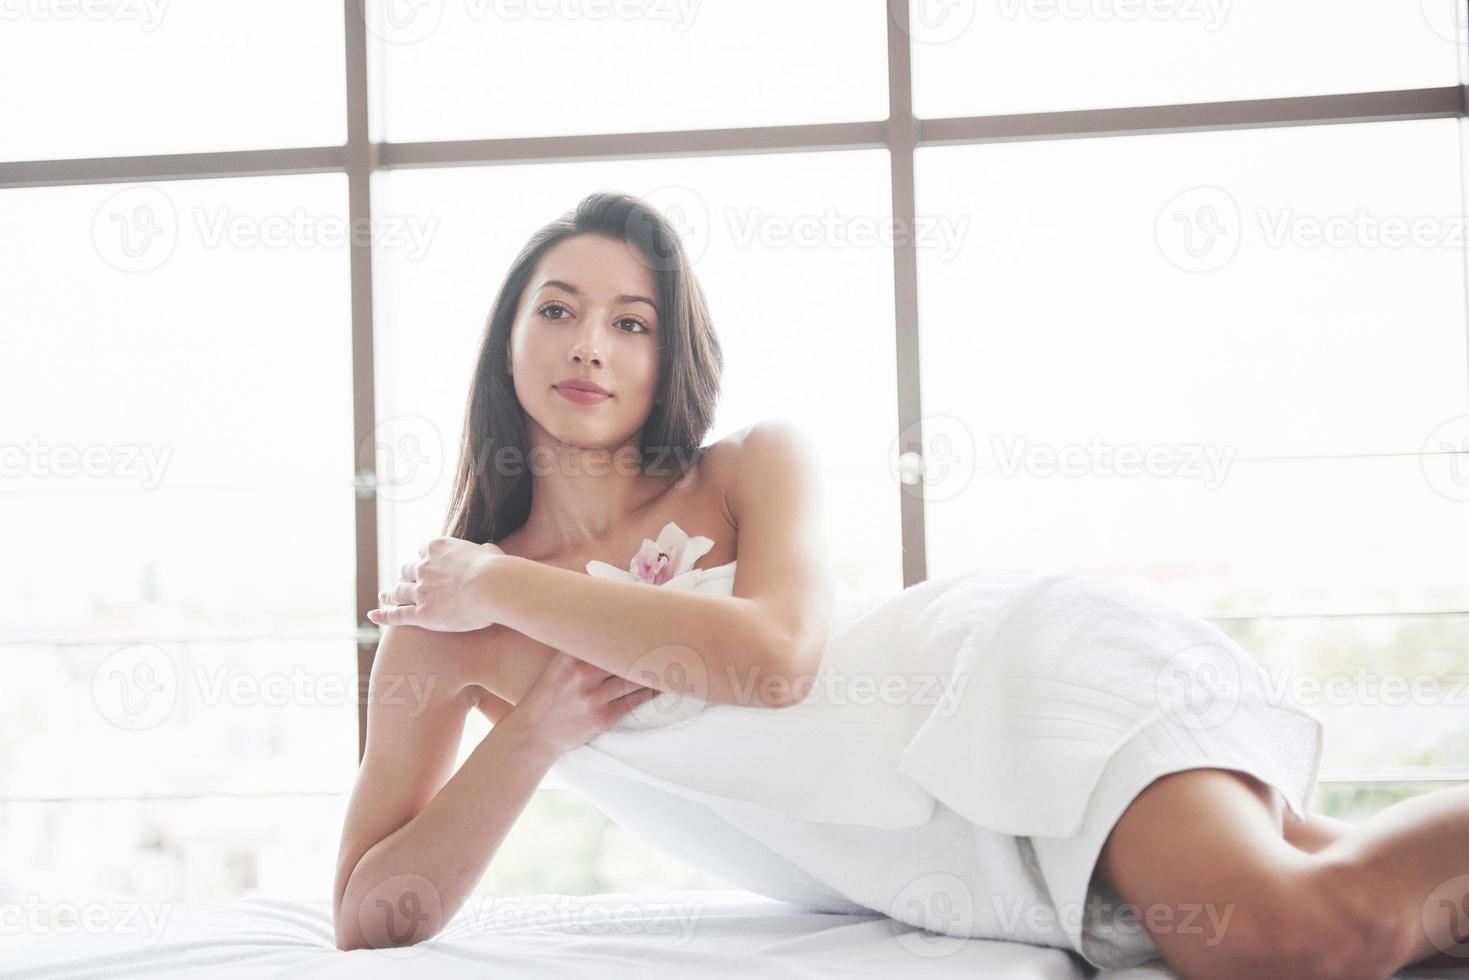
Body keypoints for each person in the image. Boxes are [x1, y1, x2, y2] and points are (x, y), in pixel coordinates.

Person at [333, 191, 1469, 978]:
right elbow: (369, 912)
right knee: (1350, 899)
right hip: (946, 849)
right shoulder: (443, 635)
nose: (591, 344)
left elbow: (771, 661)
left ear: (668, 355)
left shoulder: (749, 465)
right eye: (558, 308)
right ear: (507, 340)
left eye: (631, 322)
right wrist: (529, 734)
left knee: (1282, 938)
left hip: (1007, 689)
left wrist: (498, 579)